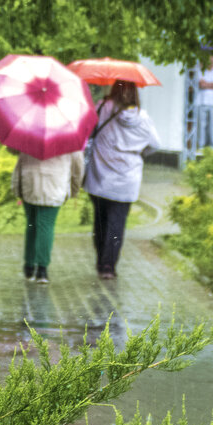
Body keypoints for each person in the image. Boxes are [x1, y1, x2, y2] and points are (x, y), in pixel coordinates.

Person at [85, 80, 160, 279]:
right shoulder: (142, 117)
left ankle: (101, 260)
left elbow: (87, 132)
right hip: (127, 179)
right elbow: (156, 144)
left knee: (100, 220)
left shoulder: (103, 107)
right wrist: (140, 153)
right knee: (117, 223)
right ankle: (108, 266)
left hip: (100, 175)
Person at [11, 149, 85, 284]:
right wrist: (74, 189)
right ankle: (42, 270)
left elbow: (13, 150)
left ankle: (29, 265)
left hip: (30, 182)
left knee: (31, 224)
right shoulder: (69, 133)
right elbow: (77, 166)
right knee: (46, 225)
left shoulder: (29, 129)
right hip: (55, 185)